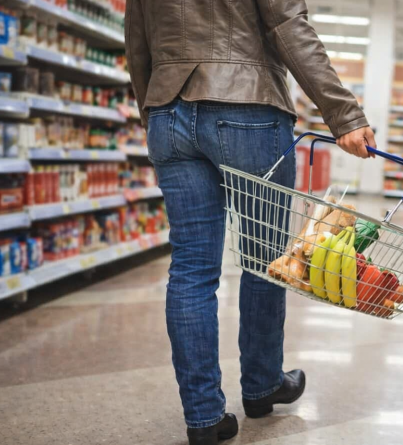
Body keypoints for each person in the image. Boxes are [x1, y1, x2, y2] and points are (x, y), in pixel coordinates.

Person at [124, 1, 375, 444]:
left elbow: (137, 42)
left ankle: (203, 418)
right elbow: (288, 26)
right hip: (248, 108)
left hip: (168, 112)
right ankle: (262, 385)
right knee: (265, 259)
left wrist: (154, 116)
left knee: (191, 271)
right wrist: (344, 114)